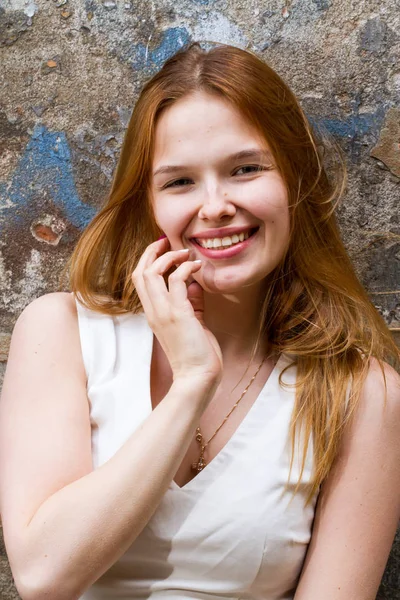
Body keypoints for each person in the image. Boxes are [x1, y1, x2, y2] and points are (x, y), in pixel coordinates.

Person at [0, 40, 399, 600]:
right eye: (180, 181)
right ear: (150, 204)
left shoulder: (363, 394)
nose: (214, 206)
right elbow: (44, 576)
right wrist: (192, 383)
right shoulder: (62, 332)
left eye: (246, 169)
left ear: (296, 184)